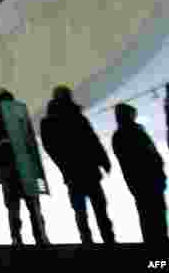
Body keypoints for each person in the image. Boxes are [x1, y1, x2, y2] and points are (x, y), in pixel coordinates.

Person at [39, 85, 114, 244]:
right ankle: (109, 240)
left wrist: (64, 165)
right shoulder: (77, 117)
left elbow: (50, 148)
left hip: (72, 173)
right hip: (89, 170)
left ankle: (87, 241)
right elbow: (93, 141)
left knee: (81, 211)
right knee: (100, 209)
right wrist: (103, 161)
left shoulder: (48, 122)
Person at [0, 88, 49, 246]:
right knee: (21, 209)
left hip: (16, 173)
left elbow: (30, 142)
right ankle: (28, 238)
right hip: (13, 172)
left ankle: (30, 238)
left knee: (25, 209)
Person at [112, 103, 168, 244]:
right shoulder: (136, 131)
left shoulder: (117, 136)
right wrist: (159, 170)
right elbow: (150, 154)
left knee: (145, 212)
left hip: (135, 181)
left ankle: (151, 241)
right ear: (129, 115)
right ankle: (161, 241)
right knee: (157, 210)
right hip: (151, 178)